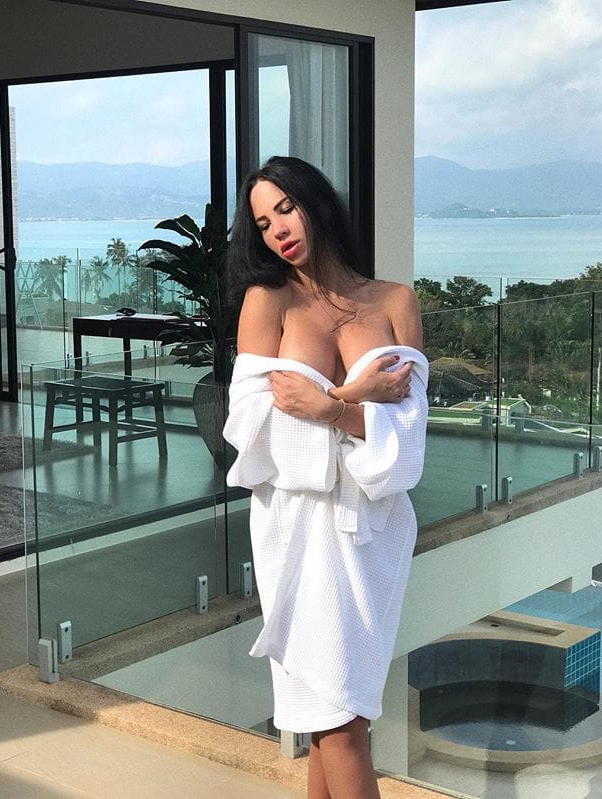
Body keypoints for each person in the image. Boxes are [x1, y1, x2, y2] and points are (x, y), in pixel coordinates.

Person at [223, 156, 428, 799]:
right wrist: (354, 400)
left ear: (316, 202)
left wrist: (326, 406)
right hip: (298, 527)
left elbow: (409, 436)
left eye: (285, 208)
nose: (278, 230)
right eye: (263, 223)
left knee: (340, 718)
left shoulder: (395, 301)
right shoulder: (268, 301)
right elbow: (250, 426)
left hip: (375, 526)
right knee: (339, 724)